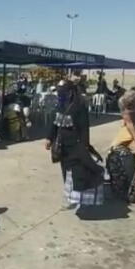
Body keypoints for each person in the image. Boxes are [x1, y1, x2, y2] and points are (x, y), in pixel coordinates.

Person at [45, 80, 103, 209]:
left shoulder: (79, 107)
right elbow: (54, 123)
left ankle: (78, 198)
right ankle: (70, 199)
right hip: (62, 146)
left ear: (71, 92)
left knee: (78, 173)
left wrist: (85, 146)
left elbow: (84, 128)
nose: (60, 95)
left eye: (63, 92)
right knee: (65, 171)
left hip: (76, 145)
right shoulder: (59, 105)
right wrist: (49, 138)